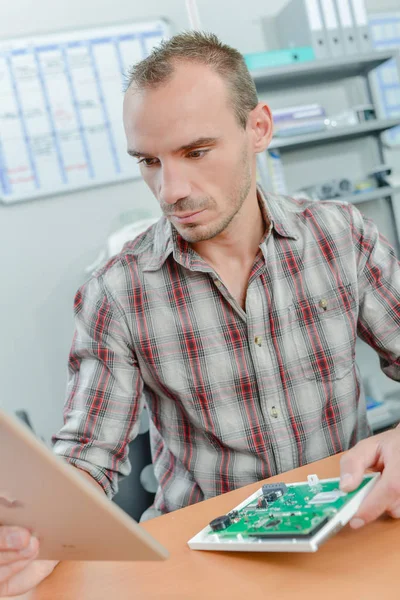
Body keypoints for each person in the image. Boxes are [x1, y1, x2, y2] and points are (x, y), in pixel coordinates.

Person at [1, 30, 399, 596]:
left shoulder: (341, 236)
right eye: (149, 161)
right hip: (203, 564)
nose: (170, 189)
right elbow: (87, 457)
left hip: (346, 541)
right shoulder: (118, 292)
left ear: (257, 128)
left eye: (196, 152)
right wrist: (39, 534)